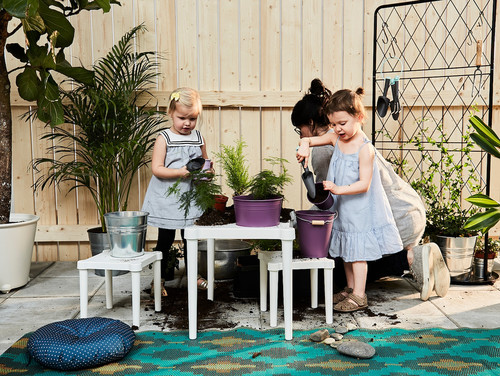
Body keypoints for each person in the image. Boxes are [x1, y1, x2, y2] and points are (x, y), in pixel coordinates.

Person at [292, 80, 449, 303]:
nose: (337, 128)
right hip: (405, 208)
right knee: (346, 251)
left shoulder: (338, 149)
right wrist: (306, 143)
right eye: (334, 124)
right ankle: (359, 285)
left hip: (392, 218)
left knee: (348, 259)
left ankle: (411, 258)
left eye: (300, 129)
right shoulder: (340, 137)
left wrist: (299, 221)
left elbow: (326, 198)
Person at [142, 87, 211, 297]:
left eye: (192, 118)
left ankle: (194, 275)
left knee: (191, 237)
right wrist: (178, 172)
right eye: (182, 118)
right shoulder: (164, 138)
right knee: (165, 239)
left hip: (190, 197)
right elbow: (157, 168)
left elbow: (205, 162)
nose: (187, 123)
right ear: (171, 112)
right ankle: (158, 279)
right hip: (169, 198)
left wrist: (208, 171)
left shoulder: (198, 137)